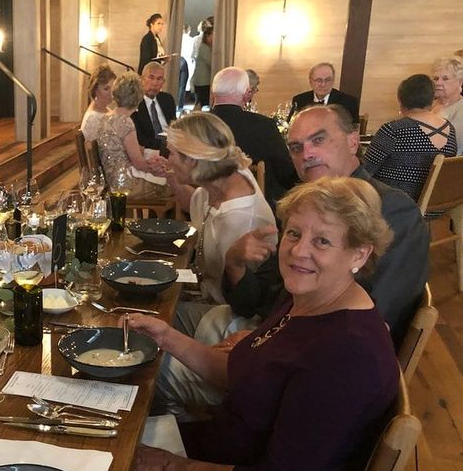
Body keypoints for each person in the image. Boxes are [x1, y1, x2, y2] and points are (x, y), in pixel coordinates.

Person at [122, 176, 398, 471]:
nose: (299, 250)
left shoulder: (347, 355)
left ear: (359, 254)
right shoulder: (307, 298)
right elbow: (238, 371)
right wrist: (166, 336)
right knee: (111, 437)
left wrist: (167, 466)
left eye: (322, 241)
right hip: (228, 455)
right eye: (295, 233)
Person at [224, 105, 429, 345]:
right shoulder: (304, 206)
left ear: (353, 142)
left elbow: (373, 317)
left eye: (318, 140)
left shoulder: (392, 210)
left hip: (325, 359)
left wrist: (267, 341)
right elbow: (264, 297)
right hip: (273, 332)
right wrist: (234, 263)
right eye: (296, 147)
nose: (306, 154)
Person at [162, 113, 275, 307]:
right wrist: (173, 178)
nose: (167, 159)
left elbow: (241, 302)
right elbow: (194, 205)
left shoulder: (241, 218)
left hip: (223, 314)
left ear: (192, 160)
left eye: (171, 153)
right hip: (202, 292)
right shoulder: (224, 177)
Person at [210, 67, 298, 208]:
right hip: (251, 207)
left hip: (200, 203)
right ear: (246, 94)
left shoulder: (193, 125)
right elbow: (286, 173)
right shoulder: (263, 126)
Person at [364, 74, 456, 202]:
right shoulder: (450, 129)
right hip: (436, 206)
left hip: (394, 205)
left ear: (401, 100)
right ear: (431, 98)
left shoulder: (394, 130)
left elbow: (364, 171)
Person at [96, 72, 168, 185]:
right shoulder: (126, 122)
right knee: (172, 182)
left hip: (110, 178)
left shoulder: (106, 117)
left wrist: (151, 159)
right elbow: (139, 164)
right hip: (124, 183)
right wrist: (160, 169)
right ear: (138, 97)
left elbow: (130, 151)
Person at [130, 61, 177, 151]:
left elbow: (174, 126)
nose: (155, 83)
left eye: (159, 79)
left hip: (172, 146)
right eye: (151, 78)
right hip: (149, 150)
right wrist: (166, 145)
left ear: (163, 82)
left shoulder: (167, 99)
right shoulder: (134, 103)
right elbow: (140, 139)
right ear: (142, 79)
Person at [290, 62, 360, 122]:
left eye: (327, 80)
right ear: (310, 81)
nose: (323, 84)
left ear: (333, 81)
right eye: (319, 80)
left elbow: (353, 130)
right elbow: (291, 125)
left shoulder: (349, 102)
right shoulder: (299, 100)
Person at [431, 57, 463, 149]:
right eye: (436, 78)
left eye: (445, 79)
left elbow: (457, 146)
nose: (438, 83)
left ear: (460, 82)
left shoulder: (460, 108)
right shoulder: (428, 104)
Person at [80, 64, 116, 144]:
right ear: (95, 89)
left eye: (113, 88)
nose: (111, 93)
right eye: (106, 89)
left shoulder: (106, 109)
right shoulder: (92, 118)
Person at [190, 26, 213, 109]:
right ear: (207, 36)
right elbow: (211, 63)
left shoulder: (205, 47)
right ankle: (194, 119)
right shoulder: (204, 48)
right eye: (213, 35)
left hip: (202, 81)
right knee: (200, 104)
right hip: (202, 82)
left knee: (200, 103)